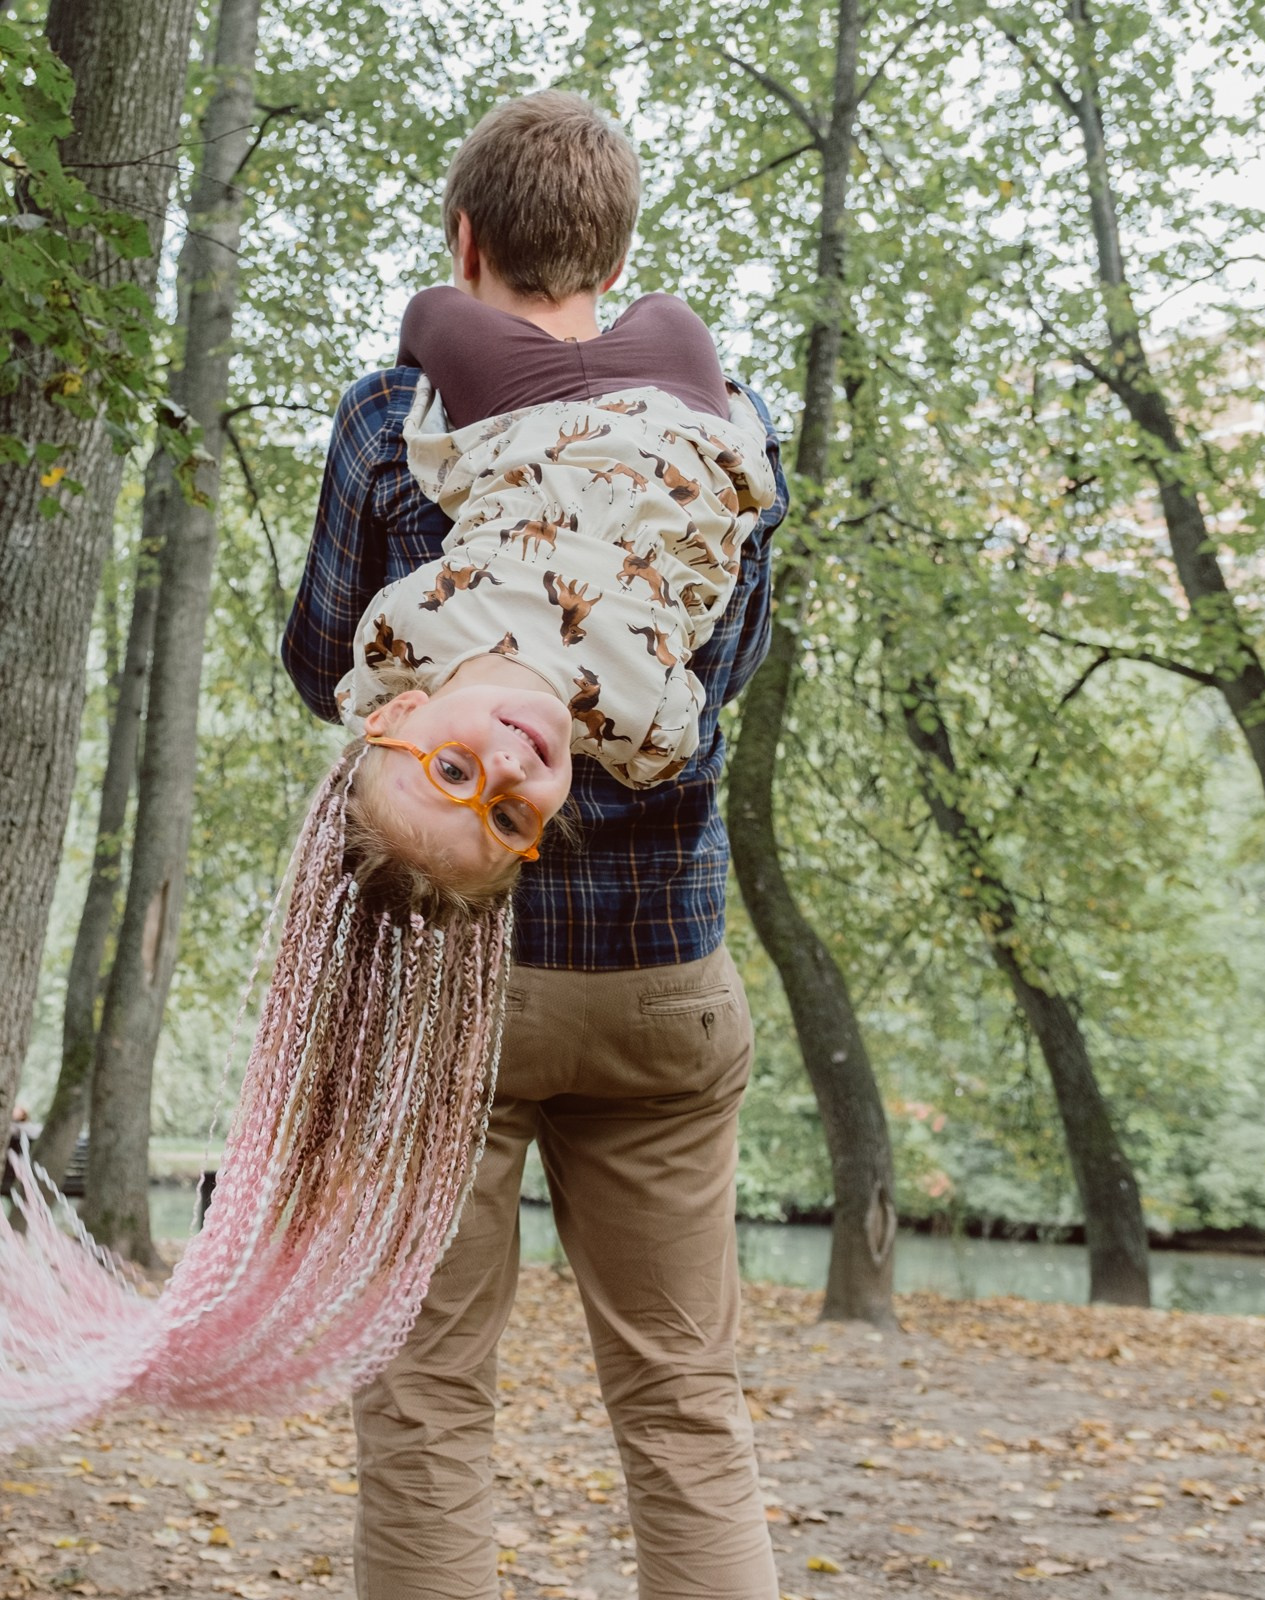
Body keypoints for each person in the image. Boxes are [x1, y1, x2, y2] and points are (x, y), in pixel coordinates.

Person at [282, 90, 791, 1600]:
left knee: (429, 1401)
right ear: (615, 253)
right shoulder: (727, 432)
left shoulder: (396, 420)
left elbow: (324, 662)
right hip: (662, 980)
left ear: (465, 240)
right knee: (687, 1407)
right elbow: (720, 674)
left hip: (453, 985)